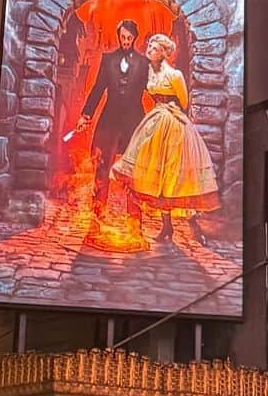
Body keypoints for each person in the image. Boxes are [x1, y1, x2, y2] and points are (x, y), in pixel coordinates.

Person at [110, 33, 220, 244]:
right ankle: (166, 226)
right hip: (155, 121)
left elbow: (184, 102)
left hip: (173, 123)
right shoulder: (150, 73)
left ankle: (193, 224)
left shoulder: (174, 75)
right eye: (149, 46)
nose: (149, 50)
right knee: (157, 173)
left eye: (153, 47)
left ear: (162, 52)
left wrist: (170, 110)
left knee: (175, 174)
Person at [77, 19, 151, 203]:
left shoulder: (143, 63)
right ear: (119, 36)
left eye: (129, 38)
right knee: (102, 168)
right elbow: (98, 88)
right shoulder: (108, 59)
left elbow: (153, 88)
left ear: (134, 38)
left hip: (134, 122)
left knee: (133, 173)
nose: (126, 41)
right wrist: (86, 115)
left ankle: (134, 223)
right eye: (123, 37)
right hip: (109, 120)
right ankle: (97, 218)